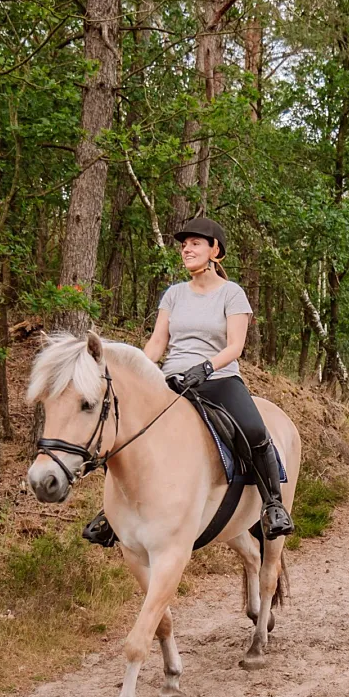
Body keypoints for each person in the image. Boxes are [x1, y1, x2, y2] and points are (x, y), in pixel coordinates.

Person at [85, 217, 294, 545]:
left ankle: (273, 505)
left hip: (219, 378)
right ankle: (111, 514)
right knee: (120, 427)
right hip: (172, 380)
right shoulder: (173, 294)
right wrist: (137, 370)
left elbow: (235, 346)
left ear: (215, 250)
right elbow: (157, 343)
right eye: (184, 245)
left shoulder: (232, 294)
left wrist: (207, 368)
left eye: (195, 243)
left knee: (254, 430)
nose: (186, 249)